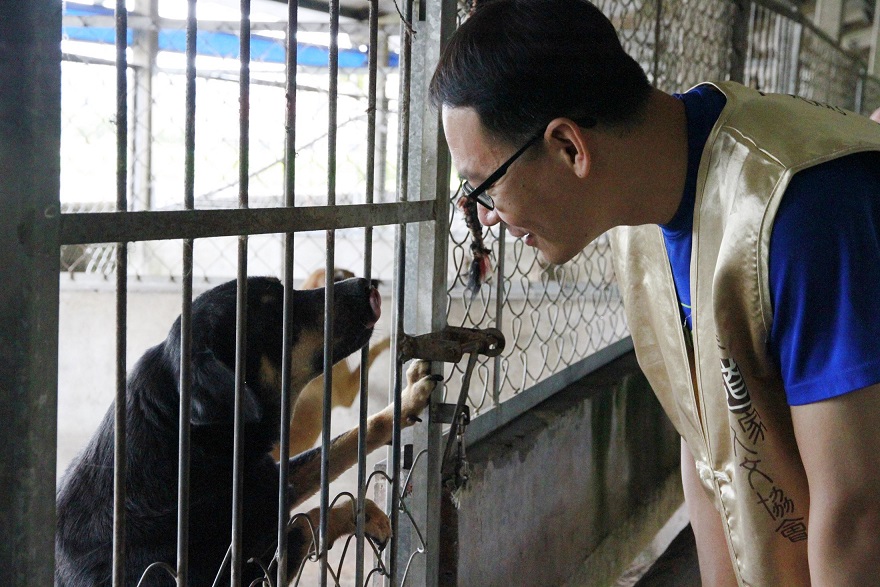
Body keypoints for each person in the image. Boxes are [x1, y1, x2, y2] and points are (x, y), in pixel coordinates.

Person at [429, 1, 880, 585]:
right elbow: (707, 446)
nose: (487, 219)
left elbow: (857, 509)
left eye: (482, 187)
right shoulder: (642, 213)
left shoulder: (801, 209)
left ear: (569, 146)